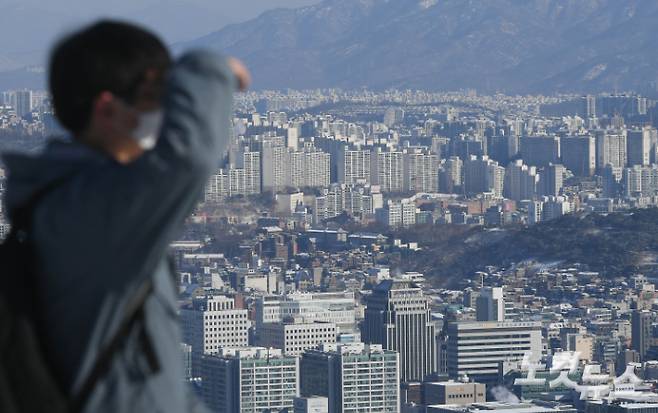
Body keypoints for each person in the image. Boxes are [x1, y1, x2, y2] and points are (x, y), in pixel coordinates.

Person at [1, 20, 249, 412]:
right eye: (156, 96)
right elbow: (189, 156)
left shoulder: (77, 203)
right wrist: (207, 68)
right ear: (108, 109)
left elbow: (148, 374)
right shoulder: (90, 211)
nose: (166, 113)